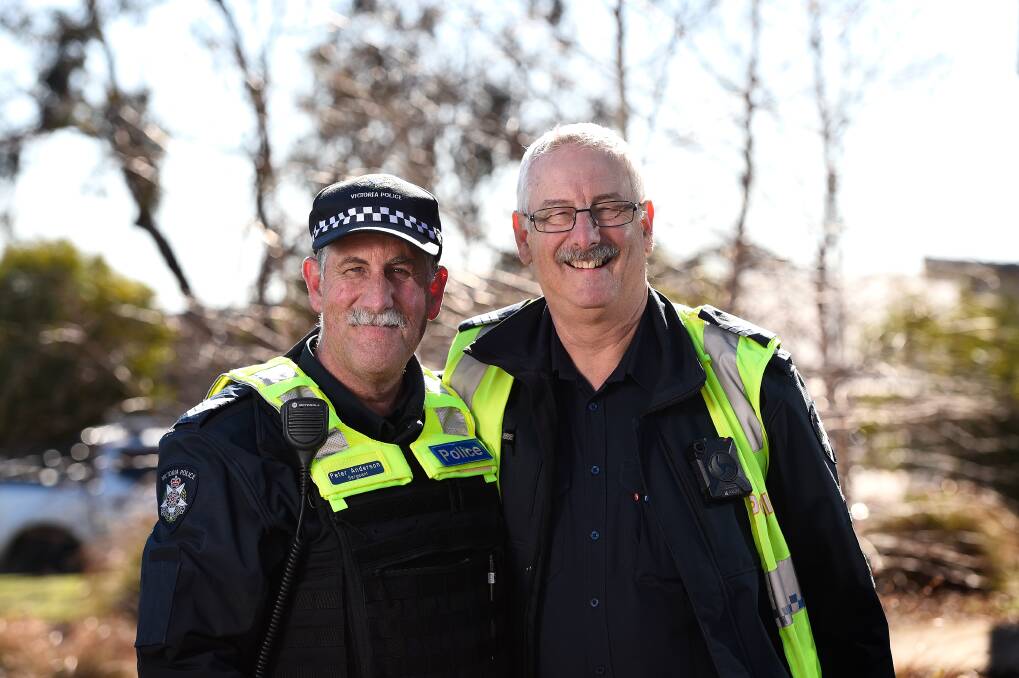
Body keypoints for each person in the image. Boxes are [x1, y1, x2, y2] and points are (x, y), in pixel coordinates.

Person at [443, 123, 894, 678]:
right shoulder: (475, 375)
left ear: (646, 224)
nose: (585, 236)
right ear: (522, 237)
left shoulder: (748, 375)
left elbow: (843, 604)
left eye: (609, 207)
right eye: (556, 214)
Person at [136, 174, 506, 677]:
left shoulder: (467, 417)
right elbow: (186, 662)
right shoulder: (233, 440)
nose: (379, 299)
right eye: (355, 269)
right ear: (315, 284)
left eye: (401, 270)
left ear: (435, 292)